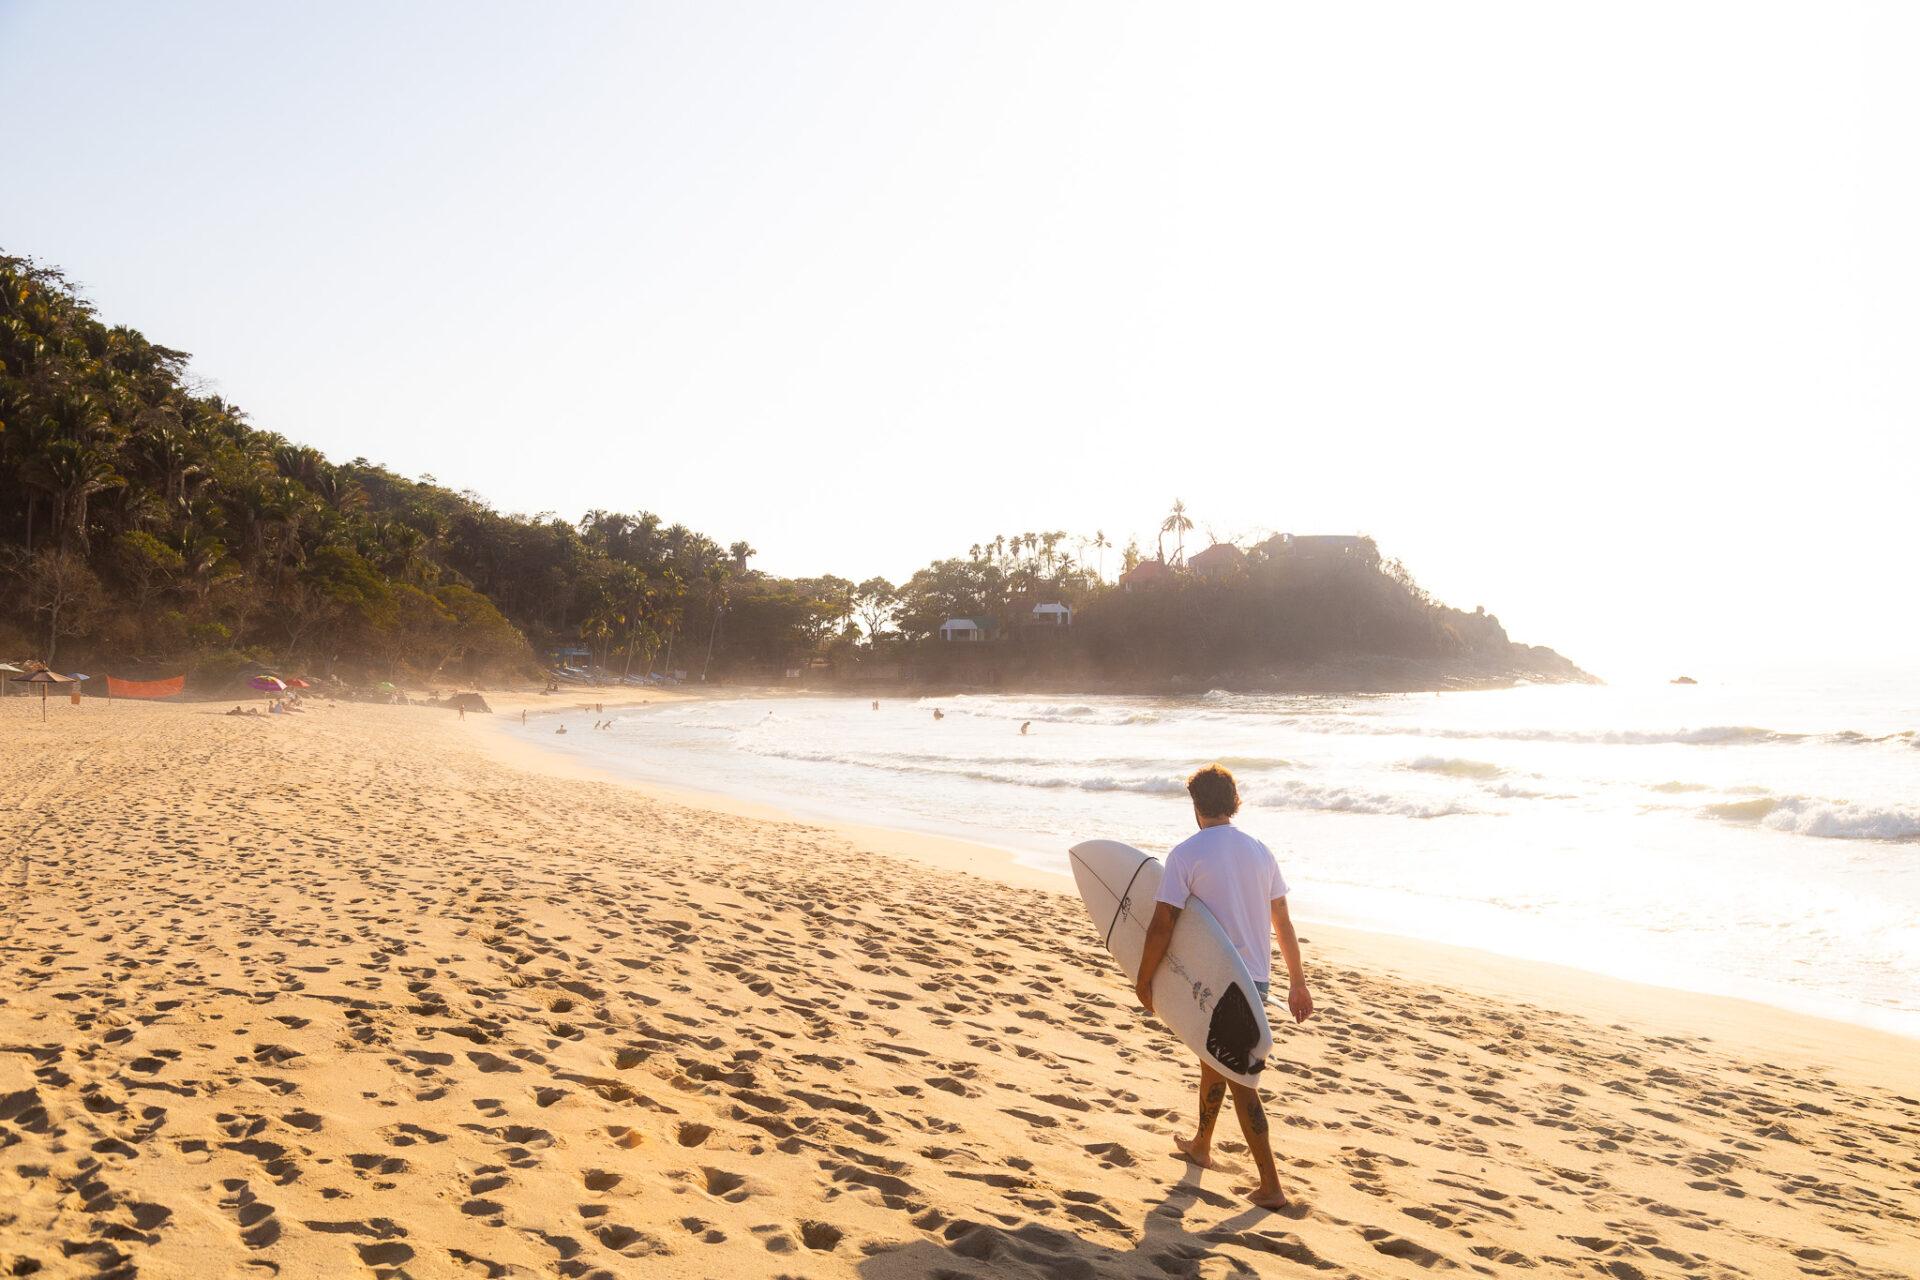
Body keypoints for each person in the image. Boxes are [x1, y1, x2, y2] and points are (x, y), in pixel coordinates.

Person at [1135, 764, 1312, 1210]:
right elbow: (1283, 922)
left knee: (1240, 1079)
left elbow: (1162, 924)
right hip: (1254, 979)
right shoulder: (1260, 852)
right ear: (1235, 803)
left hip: (1216, 980)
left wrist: (1144, 977)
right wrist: (1298, 984)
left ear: (1195, 806)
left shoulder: (1185, 854)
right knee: (1213, 1060)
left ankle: (1271, 1186)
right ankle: (1201, 1145)